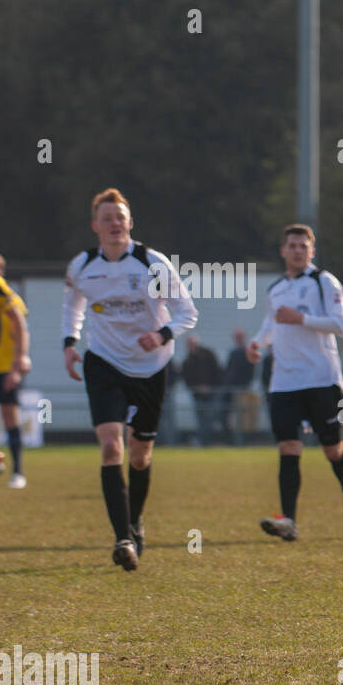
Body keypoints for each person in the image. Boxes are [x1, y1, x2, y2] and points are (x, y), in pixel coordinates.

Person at [62, 188, 198, 569]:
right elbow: (71, 305)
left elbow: (187, 311)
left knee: (140, 456)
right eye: (107, 218)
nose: (114, 224)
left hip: (151, 367)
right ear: (95, 226)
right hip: (103, 363)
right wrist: (69, 342)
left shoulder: (152, 263)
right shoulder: (82, 266)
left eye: (120, 217)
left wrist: (162, 335)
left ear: (130, 223)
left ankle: (135, 520)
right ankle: (123, 539)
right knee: (111, 447)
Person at [248, 224, 343, 541]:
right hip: (284, 383)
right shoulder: (275, 289)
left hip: (322, 380)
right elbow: (271, 324)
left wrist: (303, 319)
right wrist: (257, 344)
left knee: (332, 450)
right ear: (283, 251)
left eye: (303, 246)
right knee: (288, 448)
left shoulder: (323, 281)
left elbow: (342, 324)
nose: (297, 250)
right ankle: (288, 521)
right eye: (292, 245)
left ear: (312, 251)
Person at [0, 253, 31, 488]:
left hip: (4, 367)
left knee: (11, 418)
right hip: (6, 366)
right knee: (10, 419)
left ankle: (16, 471)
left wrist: (19, 361)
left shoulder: (3, 291)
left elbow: (19, 324)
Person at [180, 333, 222, 445]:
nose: (191, 345)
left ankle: (209, 440)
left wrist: (210, 387)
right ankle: (204, 442)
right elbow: (187, 379)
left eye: (192, 343)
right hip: (197, 395)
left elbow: (217, 372)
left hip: (212, 393)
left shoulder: (208, 354)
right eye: (189, 343)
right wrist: (196, 388)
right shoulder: (187, 360)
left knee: (210, 418)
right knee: (201, 420)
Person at [223, 328, 259, 445]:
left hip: (243, 391)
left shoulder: (248, 352)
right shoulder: (233, 353)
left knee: (244, 419)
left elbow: (250, 372)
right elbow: (228, 371)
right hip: (230, 391)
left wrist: (243, 386)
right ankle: (231, 440)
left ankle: (244, 441)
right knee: (228, 417)